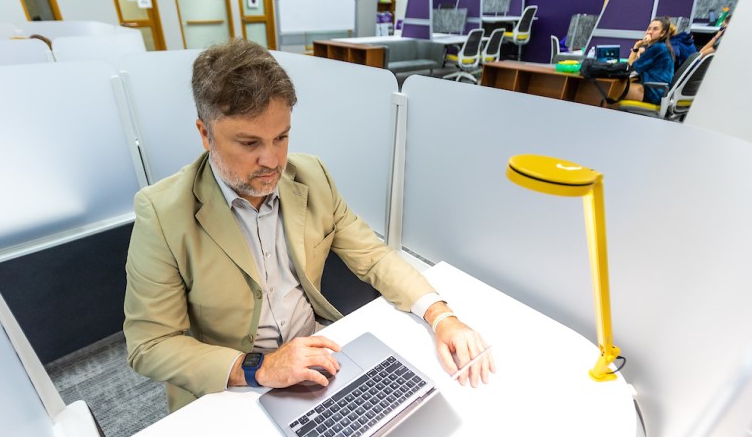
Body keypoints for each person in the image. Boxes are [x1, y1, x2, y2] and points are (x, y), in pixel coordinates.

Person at [123, 38, 495, 412]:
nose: (271, 160)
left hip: (316, 355)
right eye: (249, 142)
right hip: (234, 382)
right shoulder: (162, 213)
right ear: (205, 134)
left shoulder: (311, 175)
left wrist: (441, 316)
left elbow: (373, 256)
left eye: (281, 137)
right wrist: (260, 367)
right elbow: (149, 345)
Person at [625, 17, 676, 105]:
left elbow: (629, 67)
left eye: (655, 29)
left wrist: (636, 46)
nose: (649, 32)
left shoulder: (657, 48)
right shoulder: (661, 47)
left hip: (654, 93)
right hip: (658, 91)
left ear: (662, 33)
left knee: (612, 90)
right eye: (649, 28)